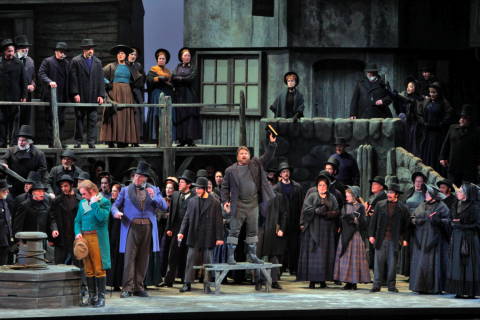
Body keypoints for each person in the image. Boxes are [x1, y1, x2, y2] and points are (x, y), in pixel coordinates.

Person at [111, 161, 168, 298]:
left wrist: (154, 196)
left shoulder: (154, 189)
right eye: (135, 176)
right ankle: (127, 288)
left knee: (143, 259)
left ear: (145, 178)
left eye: (139, 176)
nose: (136, 179)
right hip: (131, 226)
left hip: (148, 227)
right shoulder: (125, 190)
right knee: (129, 258)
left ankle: (139, 287)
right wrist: (116, 213)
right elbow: (114, 206)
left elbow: (164, 206)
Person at [221, 133, 277, 265]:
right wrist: (225, 201)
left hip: (253, 204)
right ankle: (230, 256)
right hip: (238, 204)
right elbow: (224, 188)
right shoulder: (230, 170)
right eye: (241, 153)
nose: (244, 155)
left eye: (246, 152)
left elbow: (267, 157)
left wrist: (272, 144)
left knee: (253, 231)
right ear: (237, 156)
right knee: (234, 231)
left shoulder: (255, 164)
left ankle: (252, 255)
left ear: (249, 155)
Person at [177, 177, 224, 292]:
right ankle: (187, 283)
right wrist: (181, 232)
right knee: (190, 259)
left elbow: (218, 221)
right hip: (194, 234)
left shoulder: (214, 202)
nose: (197, 190)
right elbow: (186, 218)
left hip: (208, 235)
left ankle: (207, 285)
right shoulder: (192, 201)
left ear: (204, 189)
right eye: (196, 188)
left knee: (208, 261)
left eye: (199, 188)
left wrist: (219, 238)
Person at [297, 173, 339, 289]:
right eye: (320, 185)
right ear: (317, 186)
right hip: (313, 228)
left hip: (327, 230)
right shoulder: (312, 196)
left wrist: (327, 213)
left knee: (325, 255)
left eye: (324, 185)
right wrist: (316, 211)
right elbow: (306, 210)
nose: (322, 187)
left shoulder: (332, 197)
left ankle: (323, 280)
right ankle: (312, 280)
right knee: (313, 254)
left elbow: (336, 211)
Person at [74, 180, 111, 308]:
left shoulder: (104, 202)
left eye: (84, 194)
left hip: (97, 238)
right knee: (88, 269)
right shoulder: (83, 203)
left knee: (98, 268)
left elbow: (102, 218)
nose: (83, 197)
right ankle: (92, 296)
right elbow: (77, 221)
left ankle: (101, 298)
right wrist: (78, 232)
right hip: (84, 238)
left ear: (92, 191)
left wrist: (95, 204)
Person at [368, 183, 410, 293]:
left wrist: (405, 239)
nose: (389, 194)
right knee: (378, 262)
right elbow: (373, 221)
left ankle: (391, 285)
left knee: (392, 264)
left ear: (396, 194)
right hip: (381, 238)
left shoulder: (402, 208)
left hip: (394, 239)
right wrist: (371, 235)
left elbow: (407, 225)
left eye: (391, 192)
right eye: (388, 192)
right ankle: (376, 285)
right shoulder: (380, 205)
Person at [409, 185, 450, 294]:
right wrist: (416, 221)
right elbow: (413, 217)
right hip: (421, 239)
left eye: (428, 193)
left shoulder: (442, 206)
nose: (425, 195)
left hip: (434, 240)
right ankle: (420, 286)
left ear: (433, 196)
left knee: (433, 263)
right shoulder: (422, 205)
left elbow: (447, 221)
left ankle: (434, 287)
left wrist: (437, 220)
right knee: (421, 263)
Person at [101, 45, 142, 148]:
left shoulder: (130, 67)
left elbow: (137, 79)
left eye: (122, 53)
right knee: (114, 116)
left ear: (126, 55)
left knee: (125, 116)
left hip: (127, 93)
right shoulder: (111, 66)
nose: (120, 55)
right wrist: (108, 83)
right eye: (118, 53)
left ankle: (123, 140)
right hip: (114, 92)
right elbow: (100, 75)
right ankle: (111, 140)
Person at [160, 169, 195, 287]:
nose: (179, 184)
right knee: (172, 255)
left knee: (186, 257)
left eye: (182, 182)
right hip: (175, 230)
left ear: (189, 185)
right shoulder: (175, 195)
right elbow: (171, 213)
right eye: (179, 182)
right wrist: (169, 228)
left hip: (188, 232)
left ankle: (186, 281)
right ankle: (168, 280)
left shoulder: (194, 198)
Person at [445, 183, 480, 298]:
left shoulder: (474, 206)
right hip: (457, 237)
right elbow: (450, 218)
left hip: (469, 238)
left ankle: (470, 291)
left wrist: (462, 225)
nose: (458, 193)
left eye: (460, 191)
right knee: (457, 264)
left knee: (469, 264)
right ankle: (459, 290)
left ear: (466, 194)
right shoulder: (455, 204)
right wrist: (453, 223)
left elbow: (478, 225)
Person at [70, 38, 105, 149]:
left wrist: (101, 95)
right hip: (81, 95)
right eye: (89, 49)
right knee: (79, 119)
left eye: (92, 49)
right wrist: (75, 93)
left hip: (93, 95)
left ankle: (91, 142)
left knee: (92, 120)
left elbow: (100, 79)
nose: (91, 51)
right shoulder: (76, 61)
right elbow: (73, 78)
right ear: (84, 50)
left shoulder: (97, 62)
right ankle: (78, 141)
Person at [333, 186, 371, 290]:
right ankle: (347, 282)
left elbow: (364, 222)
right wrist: (347, 219)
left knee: (354, 258)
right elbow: (341, 219)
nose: (347, 198)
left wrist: (356, 220)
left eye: (348, 196)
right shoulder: (345, 207)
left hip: (355, 235)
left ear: (354, 196)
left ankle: (354, 282)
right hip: (345, 234)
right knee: (345, 258)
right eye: (346, 196)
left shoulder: (360, 207)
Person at [257, 172, 287, 290]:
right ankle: (258, 280)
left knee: (273, 256)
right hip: (260, 229)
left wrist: (282, 228)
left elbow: (284, 214)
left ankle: (273, 280)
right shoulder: (257, 196)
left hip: (272, 229)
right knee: (258, 256)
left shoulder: (278, 196)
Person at [273, 160, 304, 275]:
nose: (286, 174)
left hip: (294, 220)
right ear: (280, 174)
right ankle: (279, 269)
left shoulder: (297, 187)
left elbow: (301, 205)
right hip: (281, 222)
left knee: (294, 246)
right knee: (281, 247)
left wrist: (301, 222)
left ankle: (293, 268)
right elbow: (274, 208)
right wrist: (276, 224)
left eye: (287, 171)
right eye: (283, 172)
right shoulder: (276, 188)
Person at [0, 125, 48, 196]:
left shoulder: (39, 154)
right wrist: (4, 163)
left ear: (30, 142)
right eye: (19, 140)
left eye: (24, 140)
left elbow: (42, 169)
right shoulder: (11, 150)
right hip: (13, 185)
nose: (20, 142)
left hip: (29, 186)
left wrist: (32, 180)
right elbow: (4, 159)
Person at [38, 42, 70, 148]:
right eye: (61, 52)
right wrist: (49, 81)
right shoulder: (48, 61)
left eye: (64, 52)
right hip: (50, 95)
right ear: (56, 52)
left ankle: (59, 141)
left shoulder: (66, 63)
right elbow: (41, 73)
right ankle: (51, 142)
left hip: (62, 96)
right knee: (50, 119)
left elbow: (69, 78)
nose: (62, 54)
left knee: (61, 120)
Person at [440, 104, 480, 186]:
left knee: (467, 190)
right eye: (461, 118)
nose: (461, 120)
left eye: (464, 118)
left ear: (469, 120)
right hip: (453, 165)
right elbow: (446, 144)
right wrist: (442, 157)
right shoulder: (453, 128)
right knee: (453, 187)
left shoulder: (476, 132)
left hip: (468, 168)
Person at [417, 83, 454, 172]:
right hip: (427, 133)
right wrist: (424, 123)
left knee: (434, 154)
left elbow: (448, 116)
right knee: (426, 154)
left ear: (438, 93)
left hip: (437, 135)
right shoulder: (427, 102)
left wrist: (439, 124)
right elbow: (420, 113)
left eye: (434, 92)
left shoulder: (443, 103)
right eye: (430, 92)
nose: (431, 94)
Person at [172, 47, 202, 147]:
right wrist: (180, 79)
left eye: (188, 55)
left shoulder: (193, 67)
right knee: (180, 114)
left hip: (189, 93)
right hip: (179, 94)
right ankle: (181, 139)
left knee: (190, 114)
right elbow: (173, 77)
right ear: (181, 57)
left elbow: (191, 78)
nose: (187, 57)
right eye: (185, 55)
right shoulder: (178, 67)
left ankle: (190, 139)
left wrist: (180, 78)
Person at [0, 38, 27, 147]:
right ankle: (2, 142)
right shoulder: (0, 63)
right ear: (4, 52)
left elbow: (23, 80)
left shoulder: (19, 63)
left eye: (12, 51)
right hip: (1, 97)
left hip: (15, 97)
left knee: (14, 121)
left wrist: (24, 96)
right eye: (9, 51)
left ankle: (12, 142)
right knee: (1, 121)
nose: (11, 53)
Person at [399, 172, 426, 277]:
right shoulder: (409, 192)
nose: (418, 183)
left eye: (420, 181)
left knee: (418, 247)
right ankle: (409, 272)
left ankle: (418, 272)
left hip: (420, 224)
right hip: (409, 223)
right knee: (408, 248)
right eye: (416, 181)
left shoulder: (425, 194)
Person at [50, 174, 82, 265]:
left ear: (71, 185)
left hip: (75, 235)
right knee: (59, 262)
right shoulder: (57, 200)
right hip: (62, 235)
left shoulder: (79, 200)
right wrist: (54, 228)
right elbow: (52, 217)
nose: (63, 188)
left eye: (66, 186)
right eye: (61, 186)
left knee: (78, 263)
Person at [146, 48, 173, 142]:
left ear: (166, 60)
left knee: (166, 114)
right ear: (157, 60)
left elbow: (171, 82)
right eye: (159, 58)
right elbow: (149, 80)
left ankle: (166, 137)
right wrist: (158, 78)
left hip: (167, 94)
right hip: (157, 94)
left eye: (163, 59)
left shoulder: (168, 72)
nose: (161, 60)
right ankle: (155, 137)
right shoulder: (153, 70)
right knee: (157, 113)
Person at [394, 78, 423, 155]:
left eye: (410, 87)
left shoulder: (419, 99)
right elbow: (399, 110)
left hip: (415, 125)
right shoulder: (404, 98)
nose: (408, 88)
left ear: (415, 88)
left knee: (414, 144)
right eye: (407, 86)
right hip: (406, 124)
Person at [14, 35, 35, 126]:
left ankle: (22, 139)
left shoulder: (30, 61)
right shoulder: (12, 59)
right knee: (14, 117)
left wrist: (33, 85)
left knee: (25, 118)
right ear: (17, 49)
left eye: (27, 48)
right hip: (15, 94)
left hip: (27, 95)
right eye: (23, 48)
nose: (26, 50)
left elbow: (33, 77)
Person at [127, 47, 145, 146]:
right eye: (131, 54)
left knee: (137, 115)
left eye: (134, 54)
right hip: (127, 92)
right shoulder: (124, 65)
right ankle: (128, 139)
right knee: (128, 115)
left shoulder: (138, 65)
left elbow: (143, 79)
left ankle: (137, 139)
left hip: (137, 92)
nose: (133, 56)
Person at [107, 183, 123, 291]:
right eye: (112, 191)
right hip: (109, 234)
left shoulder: (123, 205)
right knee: (111, 258)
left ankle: (117, 283)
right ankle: (109, 281)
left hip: (119, 235)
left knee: (119, 259)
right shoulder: (108, 203)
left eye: (115, 191)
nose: (113, 193)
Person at [0, 180, 13, 266]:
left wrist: (10, 236)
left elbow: (8, 221)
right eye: (5, 190)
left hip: (5, 240)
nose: (7, 191)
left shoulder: (5, 202)